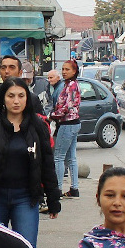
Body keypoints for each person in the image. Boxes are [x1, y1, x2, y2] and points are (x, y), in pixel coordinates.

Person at [0, 78, 60, 248]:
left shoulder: (38, 126)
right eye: (11, 96)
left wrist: (53, 199)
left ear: (28, 98)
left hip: (26, 198)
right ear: (3, 98)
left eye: (21, 95)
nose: (16, 101)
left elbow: (47, 164)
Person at [51, 60, 82, 199]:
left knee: (59, 157)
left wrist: (51, 116)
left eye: (67, 69)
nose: (64, 71)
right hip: (74, 122)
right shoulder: (69, 85)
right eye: (63, 69)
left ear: (74, 71)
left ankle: (57, 190)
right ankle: (74, 188)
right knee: (71, 157)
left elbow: (66, 107)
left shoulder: (71, 86)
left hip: (67, 123)